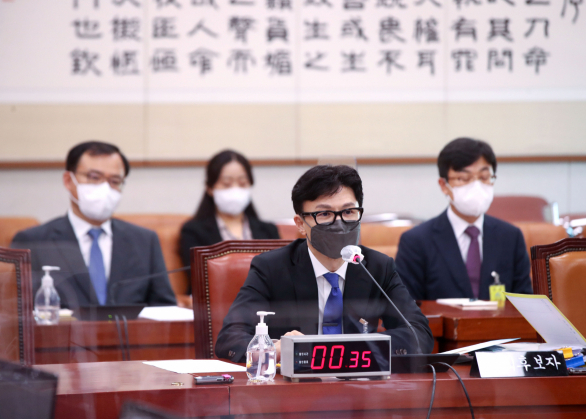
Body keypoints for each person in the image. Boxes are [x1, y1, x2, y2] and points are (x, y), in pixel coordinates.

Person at [215, 165, 433, 362]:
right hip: (295, 386)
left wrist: (355, 349)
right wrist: (272, 349)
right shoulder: (271, 268)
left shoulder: (377, 267)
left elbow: (419, 334)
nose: (339, 223)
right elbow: (230, 339)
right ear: (300, 224)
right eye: (325, 214)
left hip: (359, 384)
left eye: (348, 212)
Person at [11, 141, 176, 309]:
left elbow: (164, 308)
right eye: (94, 177)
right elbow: (16, 310)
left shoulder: (144, 241)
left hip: (128, 327)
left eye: (115, 181)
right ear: (68, 180)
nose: (105, 188)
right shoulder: (33, 241)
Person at [396, 138, 533, 301]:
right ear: (443, 185)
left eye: (484, 177)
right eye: (463, 179)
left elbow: (524, 303)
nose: (476, 186)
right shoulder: (416, 241)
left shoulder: (511, 237)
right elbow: (405, 307)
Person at [179, 150, 280, 292]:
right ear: (210, 188)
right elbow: (198, 278)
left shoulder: (269, 230)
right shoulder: (193, 231)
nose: (235, 190)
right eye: (226, 184)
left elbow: (280, 275)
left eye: (242, 183)